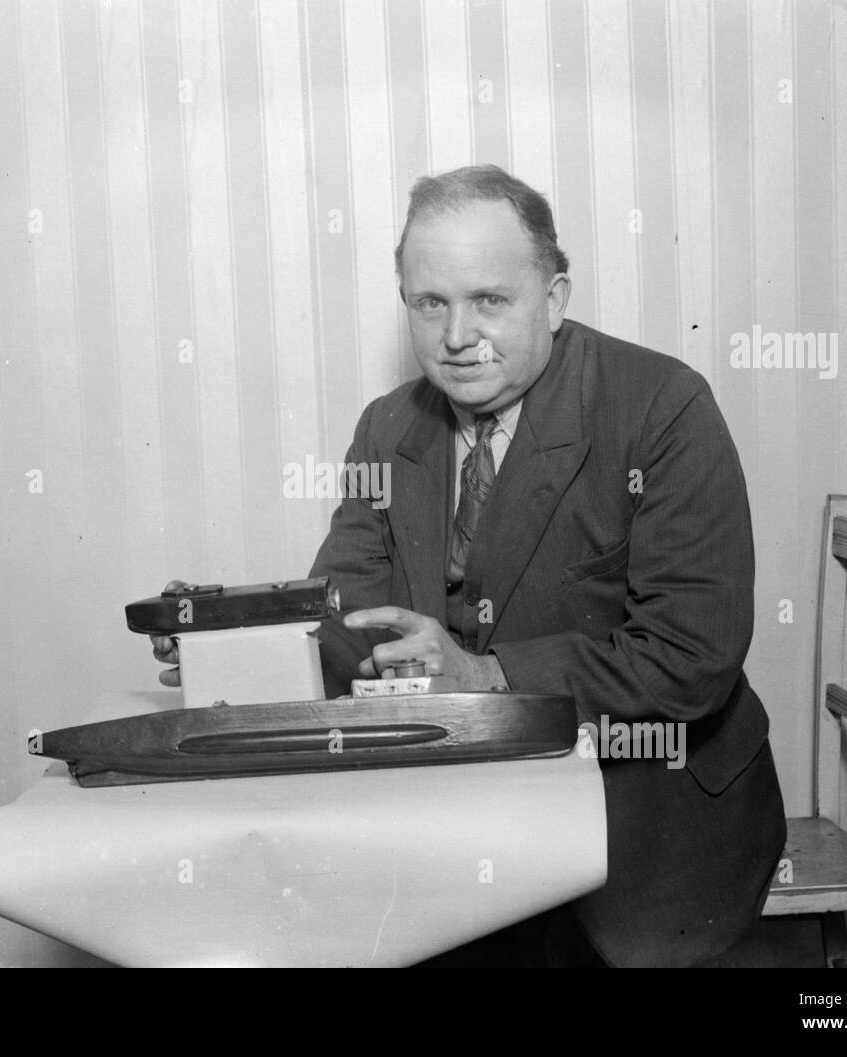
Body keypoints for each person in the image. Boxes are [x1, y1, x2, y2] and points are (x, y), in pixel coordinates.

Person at [153, 164, 786, 968]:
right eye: (430, 302)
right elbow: (352, 620)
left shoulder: (663, 406)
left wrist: (485, 674)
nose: (457, 336)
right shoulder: (384, 430)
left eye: (490, 299)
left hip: (654, 802)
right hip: (473, 809)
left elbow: (692, 655)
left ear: (553, 299)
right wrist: (232, 641)